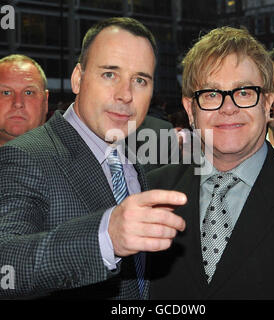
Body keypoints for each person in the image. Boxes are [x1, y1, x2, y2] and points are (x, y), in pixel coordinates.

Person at [0, 17, 186, 300]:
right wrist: (105, 237)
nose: (125, 95)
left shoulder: (141, 162)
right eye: (110, 74)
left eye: (140, 80)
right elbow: (7, 264)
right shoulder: (26, 155)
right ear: (78, 78)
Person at [147, 27, 274, 299]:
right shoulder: (151, 194)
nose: (228, 108)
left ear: (267, 103)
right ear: (191, 109)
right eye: (212, 94)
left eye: (244, 92)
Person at [0, 54, 49, 146]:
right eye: (6, 93)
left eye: (28, 93)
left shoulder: (75, 157)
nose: (18, 103)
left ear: (45, 101)